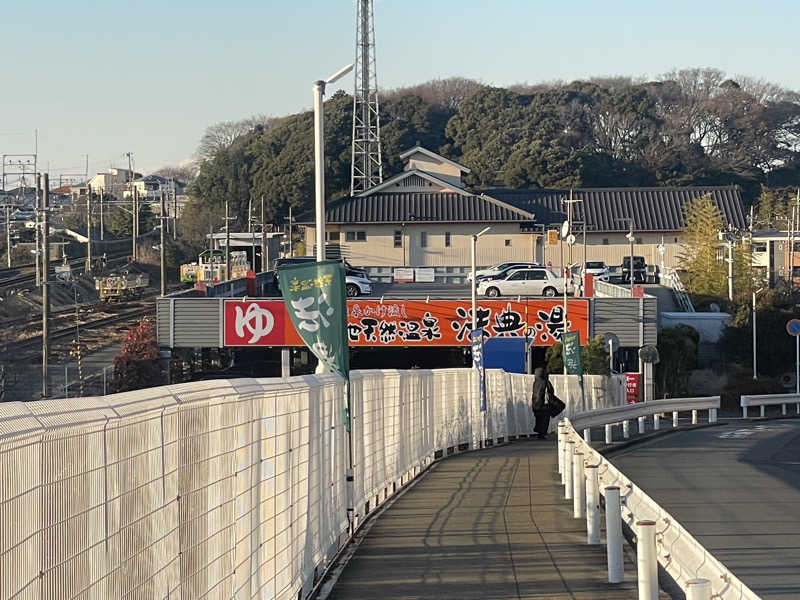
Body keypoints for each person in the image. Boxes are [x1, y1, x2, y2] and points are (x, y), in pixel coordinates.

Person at [531, 367, 554, 439]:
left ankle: (540, 432)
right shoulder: (544, 382)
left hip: (536, 403)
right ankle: (542, 433)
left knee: (539, 419)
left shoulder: (536, 382)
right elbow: (549, 391)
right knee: (544, 419)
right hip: (543, 403)